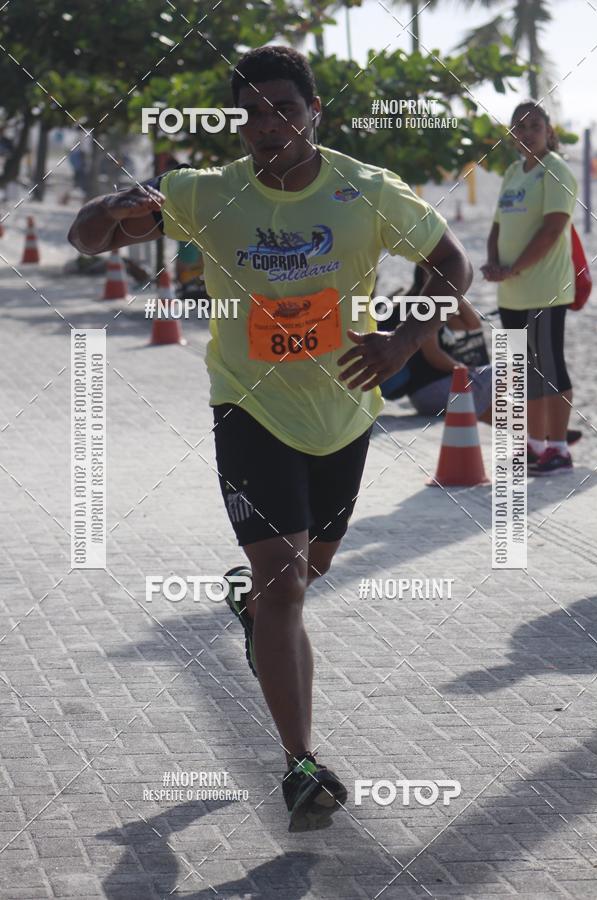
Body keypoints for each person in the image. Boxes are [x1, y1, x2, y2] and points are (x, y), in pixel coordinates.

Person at [68, 45, 472, 832]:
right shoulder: (205, 192)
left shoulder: (365, 190)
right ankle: (300, 763)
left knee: (306, 571)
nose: (267, 124)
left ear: (314, 111)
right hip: (248, 410)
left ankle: (258, 617)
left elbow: (449, 262)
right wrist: (112, 209)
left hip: (345, 413)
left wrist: (397, 338)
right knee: (285, 580)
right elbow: (91, 240)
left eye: (284, 107)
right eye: (251, 111)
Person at [482, 100, 578, 475]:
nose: (526, 133)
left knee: (551, 367)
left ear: (548, 132)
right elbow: (497, 226)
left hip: (545, 289)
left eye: (534, 125)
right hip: (511, 291)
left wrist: (514, 268)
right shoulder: (511, 172)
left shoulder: (556, 171)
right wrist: (494, 262)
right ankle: (534, 445)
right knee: (522, 371)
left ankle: (559, 448)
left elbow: (553, 229)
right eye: (518, 127)